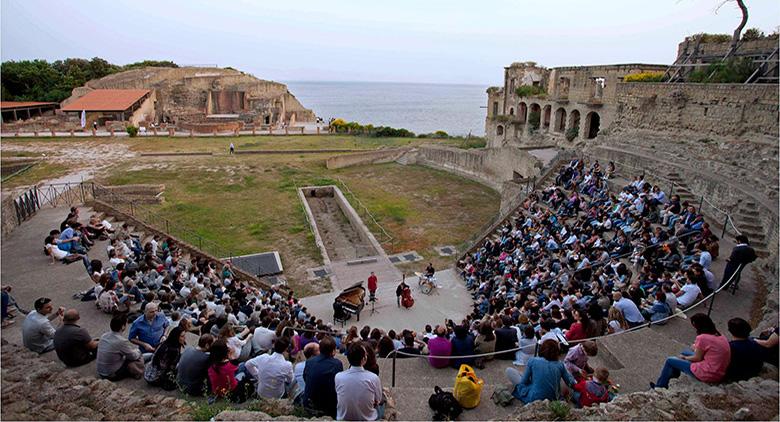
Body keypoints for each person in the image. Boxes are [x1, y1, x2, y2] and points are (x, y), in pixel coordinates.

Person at [652, 313, 731, 388]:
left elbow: (697, 358)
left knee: (670, 360)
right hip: (719, 370)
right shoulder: (720, 336)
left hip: (708, 372)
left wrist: (684, 358)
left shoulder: (703, 338)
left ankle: (660, 386)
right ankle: (673, 374)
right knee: (685, 352)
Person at [505, 339, 576, 403]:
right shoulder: (560, 364)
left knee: (509, 370)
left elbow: (524, 382)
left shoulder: (533, 360)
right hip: (553, 398)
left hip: (534, 397)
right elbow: (570, 382)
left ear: (542, 349)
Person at [335, 342, 384, 421]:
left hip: (343, 417)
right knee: (384, 403)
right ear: (364, 359)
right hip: (368, 418)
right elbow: (378, 400)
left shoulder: (338, 377)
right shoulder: (373, 378)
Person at [303, 336, 343, 417]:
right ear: (333, 351)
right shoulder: (337, 364)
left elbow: (305, 377)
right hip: (326, 407)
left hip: (308, 402)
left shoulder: (309, 361)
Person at [97, 315, 145, 380]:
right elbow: (133, 356)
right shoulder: (121, 341)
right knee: (136, 356)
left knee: (128, 354)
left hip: (101, 371)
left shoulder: (104, 336)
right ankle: (138, 372)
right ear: (122, 326)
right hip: (111, 374)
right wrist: (138, 351)